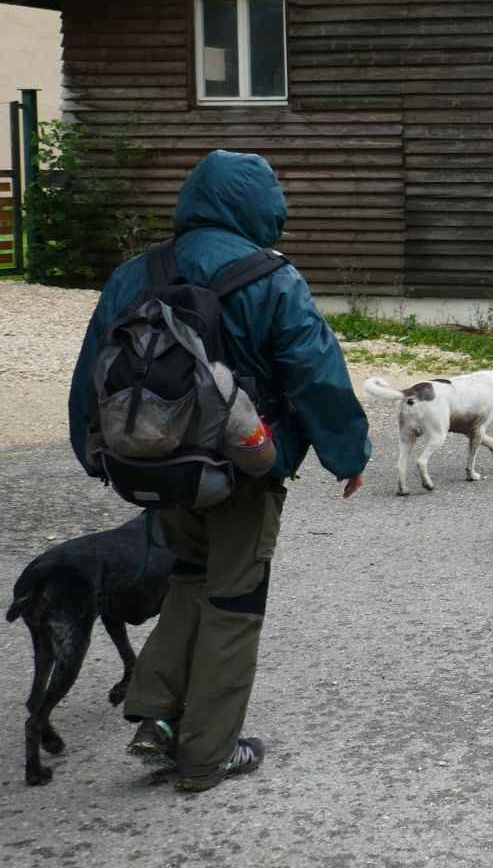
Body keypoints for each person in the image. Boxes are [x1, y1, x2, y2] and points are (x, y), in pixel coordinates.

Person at [67, 150, 372, 792]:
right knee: (234, 600)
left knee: (189, 580)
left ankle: (155, 716)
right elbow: (316, 372)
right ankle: (208, 754)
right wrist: (348, 453)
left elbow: (92, 367)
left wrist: (90, 448)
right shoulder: (272, 278)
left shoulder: (136, 273)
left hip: (157, 463)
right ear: (258, 206)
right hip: (244, 468)